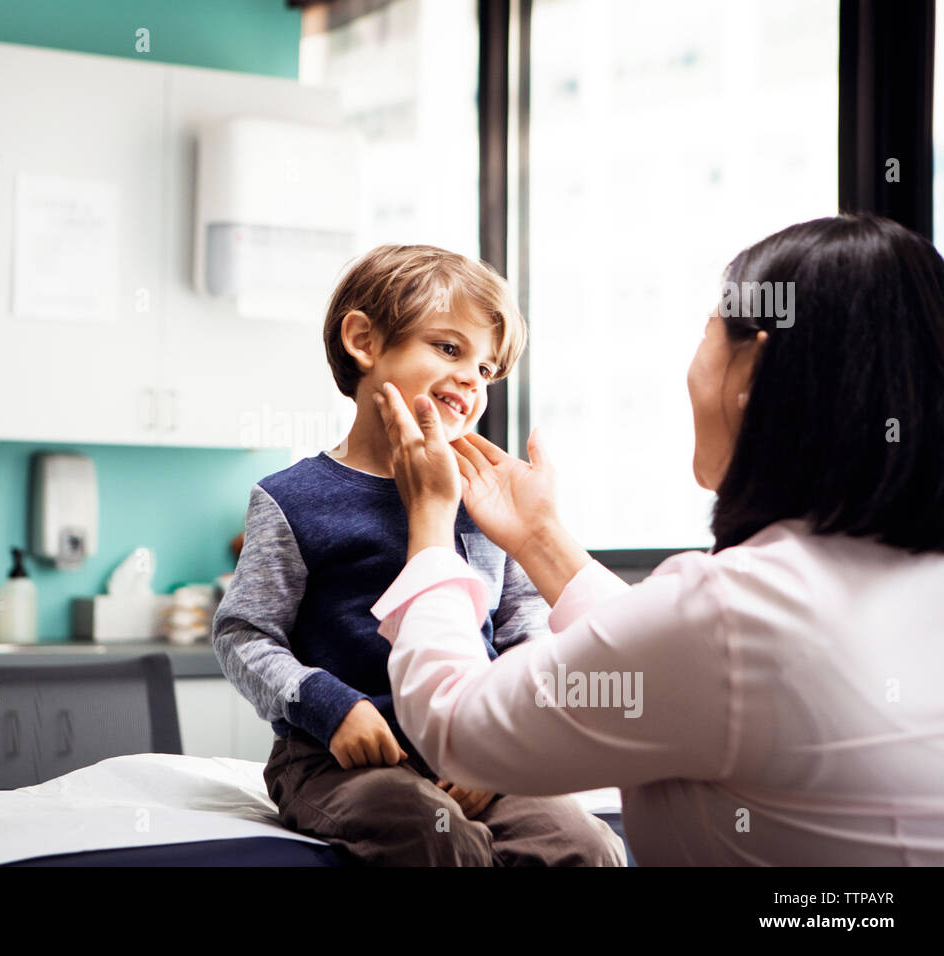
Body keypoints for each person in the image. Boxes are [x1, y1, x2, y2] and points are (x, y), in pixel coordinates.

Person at [372, 213, 944, 865]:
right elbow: (671, 658)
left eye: (707, 336)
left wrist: (430, 526)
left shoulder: (738, 611)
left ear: (749, 373)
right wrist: (541, 539)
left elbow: (456, 725)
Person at [213, 244, 626, 866]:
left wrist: (506, 745)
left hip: (472, 747)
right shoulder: (291, 499)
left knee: (584, 844)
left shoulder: (484, 502)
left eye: (487, 370)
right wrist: (330, 706)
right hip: (334, 757)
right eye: (450, 349)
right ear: (363, 341)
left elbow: (525, 629)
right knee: (431, 832)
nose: (471, 378)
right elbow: (244, 635)